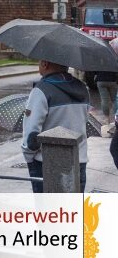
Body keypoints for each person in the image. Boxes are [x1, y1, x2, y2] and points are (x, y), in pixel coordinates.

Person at [21, 59, 90, 193]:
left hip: (47, 163)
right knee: (73, 211)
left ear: (45, 64)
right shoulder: (83, 88)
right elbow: (84, 121)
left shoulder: (41, 90)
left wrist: (29, 157)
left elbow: (32, 134)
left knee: (50, 212)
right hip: (79, 160)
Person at [95, 69, 118, 136]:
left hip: (101, 79)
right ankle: (115, 119)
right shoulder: (113, 59)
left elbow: (94, 70)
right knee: (114, 100)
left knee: (104, 100)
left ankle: (107, 119)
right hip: (113, 80)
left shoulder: (99, 59)